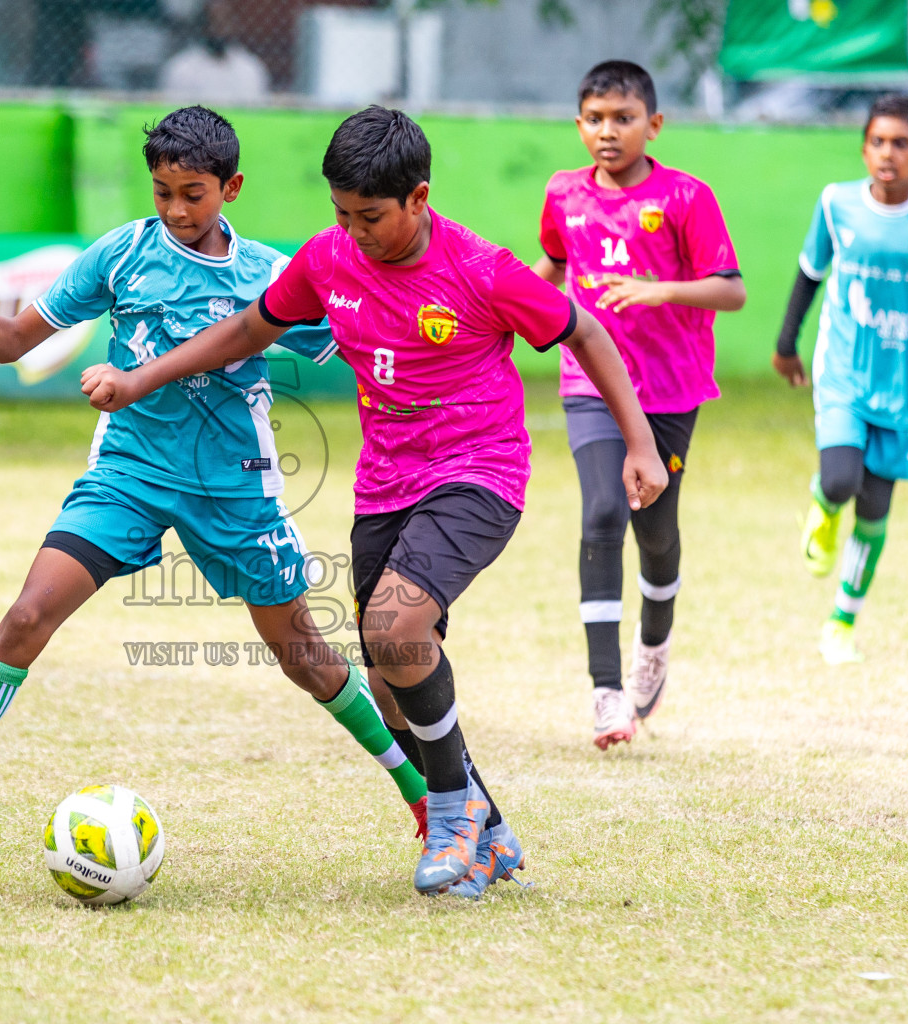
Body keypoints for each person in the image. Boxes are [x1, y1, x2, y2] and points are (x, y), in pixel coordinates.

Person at [82, 106, 668, 898]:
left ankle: (452, 815)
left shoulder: (483, 269)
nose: (352, 233)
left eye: (370, 218)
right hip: (385, 483)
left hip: (478, 472)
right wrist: (136, 381)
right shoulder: (328, 259)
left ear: (419, 198)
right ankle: (490, 833)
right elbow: (246, 331)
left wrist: (638, 443)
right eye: (339, 214)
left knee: (395, 627)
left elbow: (585, 334)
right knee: (391, 674)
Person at [0, 106, 428, 878]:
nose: (177, 210)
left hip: (235, 492)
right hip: (129, 475)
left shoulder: (270, 277)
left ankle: (426, 801)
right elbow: (16, 342)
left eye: (193, 193)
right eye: (162, 192)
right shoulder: (122, 254)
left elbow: (364, 341)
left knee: (307, 660)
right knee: (26, 615)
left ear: (232, 187)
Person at [534, 60, 745, 749]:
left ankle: (654, 640)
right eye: (595, 118)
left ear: (653, 125)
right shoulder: (563, 194)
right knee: (601, 512)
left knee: (654, 530)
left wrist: (659, 290)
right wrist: (508, 310)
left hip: (670, 391)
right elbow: (555, 269)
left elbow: (730, 289)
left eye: (623, 118)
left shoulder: (686, 197)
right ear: (578, 125)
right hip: (590, 384)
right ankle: (605, 693)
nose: (607, 131)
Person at [774, 93, 908, 666]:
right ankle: (823, 506)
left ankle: (841, 623)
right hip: (843, 369)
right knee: (842, 479)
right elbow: (808, 275)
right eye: (877, 142)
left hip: (906, 385)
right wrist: (785, 344)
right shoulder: (835, 203)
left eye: (901, 144)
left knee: (874, 507)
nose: (887, 154)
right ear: (863, 147)